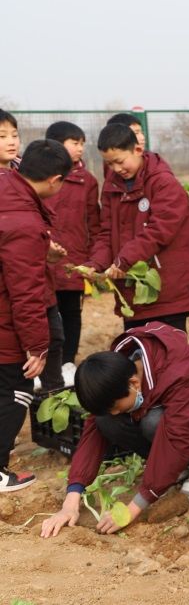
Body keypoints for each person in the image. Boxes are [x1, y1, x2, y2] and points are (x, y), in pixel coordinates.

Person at [39, 323, 189, 537]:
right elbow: (93, 432)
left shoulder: (179, 373)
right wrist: (71, 499)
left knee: (153, 421)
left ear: (134, 383)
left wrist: (134, 508)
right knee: (107, 422)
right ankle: (174, 468)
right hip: (175, 420)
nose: (115, 413)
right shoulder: (118, 371)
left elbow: (178, 435)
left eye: (115, 406)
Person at [0, 139, 71, 491]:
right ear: (55, 180)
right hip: (4, 321)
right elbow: (25, 292)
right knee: (15, 388)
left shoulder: (4, 187)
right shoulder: (25, 223)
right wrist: (37, 346)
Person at [85, 123, 189, 332]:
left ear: (137, 150)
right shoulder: (112, 186)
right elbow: (106, 231)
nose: (116, 169)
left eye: (119, 162)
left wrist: (123, 260)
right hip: (132, 291)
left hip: (167, 291)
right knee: (136, 352)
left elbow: (158, 232)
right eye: (109, 164)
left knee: (169, 356)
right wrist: (96, 263)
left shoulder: (164, 183)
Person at [44, 121, 101, 384]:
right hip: (43, 258)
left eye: (82, 143)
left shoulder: (87, 181)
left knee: (71, 312)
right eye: (74, 143)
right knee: (43, 312)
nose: (80, 148)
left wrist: (91, 260)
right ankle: (44, 363)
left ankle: (67, 362)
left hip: (74, 257)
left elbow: (94, 221)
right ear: (55, 144)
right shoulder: (36, 176)